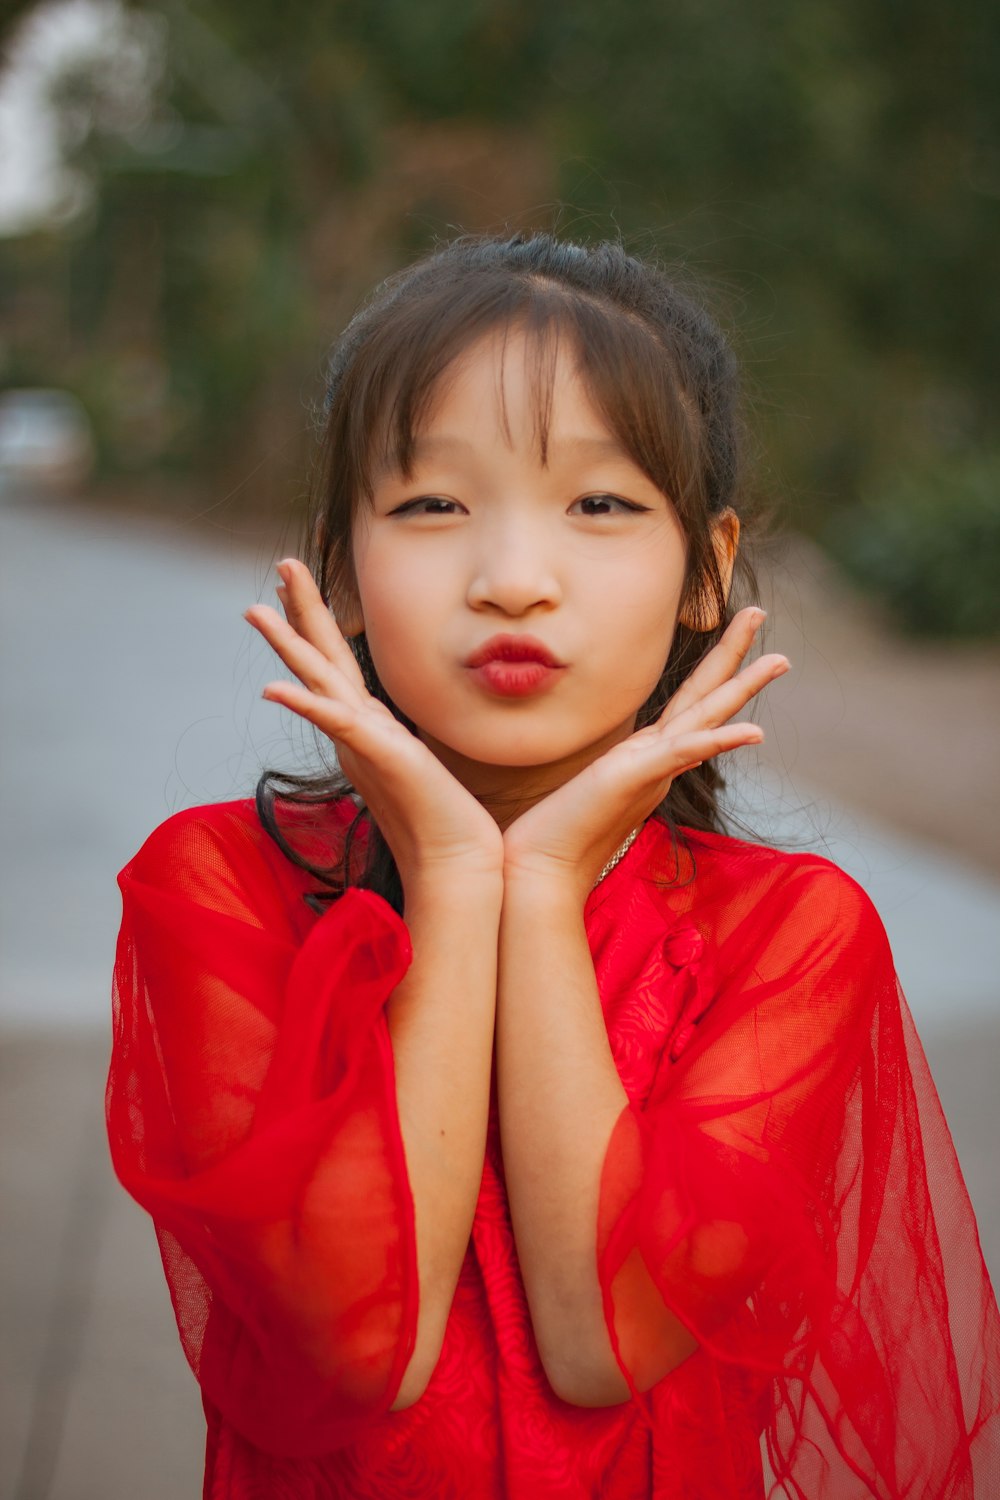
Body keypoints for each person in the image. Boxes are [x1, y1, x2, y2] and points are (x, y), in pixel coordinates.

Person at [106, 233, 1000, 1498]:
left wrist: (538, 888)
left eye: (598, 504)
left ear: (706, 569)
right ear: (342, 564)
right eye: (430, 505)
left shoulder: (792, 935)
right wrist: (461, 881)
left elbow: (597, 1347)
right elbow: (362, 1349)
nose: (514, 581)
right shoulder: (218, 886)